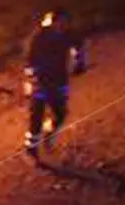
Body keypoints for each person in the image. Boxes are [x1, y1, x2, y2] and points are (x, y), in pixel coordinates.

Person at [23, 8, 87, 158]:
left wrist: (80, 63)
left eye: (65, 22)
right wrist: (33, 77)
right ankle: (32, 148)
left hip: (59, 80)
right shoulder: (39, 37)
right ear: (52, 22)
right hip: (40, 82)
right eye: (60, 22)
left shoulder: (68, 35)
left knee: (61, 113)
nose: (62, 25)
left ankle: (48, 132)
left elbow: (79, 47)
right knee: (36, 116)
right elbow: (29, 59)